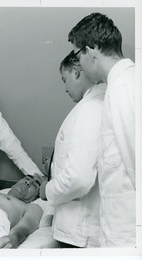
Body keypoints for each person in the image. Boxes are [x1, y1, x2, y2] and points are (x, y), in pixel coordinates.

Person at [68, 12, 135, 247]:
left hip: (127, 234)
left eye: (78, 55)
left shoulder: (125, 88)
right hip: (119, 230)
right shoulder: (118, 86)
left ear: (92, 49)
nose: (80, 66)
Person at [39, 51, 106, 248]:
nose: (65, 88)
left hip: (78, 233)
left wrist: (47, 190)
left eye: (64, 79)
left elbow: (78, 178)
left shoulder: (89, 109)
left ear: (76, 71)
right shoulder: (99, 103)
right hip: (83, 228)